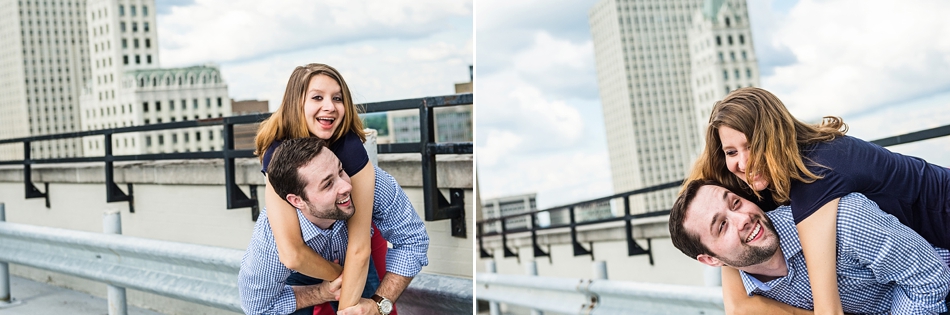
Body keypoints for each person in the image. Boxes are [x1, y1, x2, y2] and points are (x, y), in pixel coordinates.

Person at [687, 87, 950, 314]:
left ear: (775, 136)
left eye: (753, 145)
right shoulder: (775, 177)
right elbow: (737, 306)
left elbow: (828, 309)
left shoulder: (817, 173)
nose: (744, 162)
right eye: (731, 151)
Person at [669, 179, 950, 315]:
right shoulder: (754, 300)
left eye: (736, 203)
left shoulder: (844, 220)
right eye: (722, 226)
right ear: (710, 260)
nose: (743, 219)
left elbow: (930, 280)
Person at [239, 137, 429, 315]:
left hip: (355, 262)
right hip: (295, 277)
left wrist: (379, 304)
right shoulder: (270, 243)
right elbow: (259, 308)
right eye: (328, 184)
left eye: (340, 171)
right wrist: (320, 293)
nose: (346, 186)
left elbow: (412, 239)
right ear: (297, 201)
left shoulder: (369, 183)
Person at [254, 63, 388, 314]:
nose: (330, 106)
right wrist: (338, 278)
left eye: (337, 98)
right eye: (318, 97)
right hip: (305, 259)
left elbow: (359, 247)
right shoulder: (277, 155)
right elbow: (292, 252)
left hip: (353, 253)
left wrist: (348, 291)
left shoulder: (350, 149)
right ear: (297, 103)